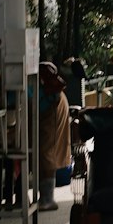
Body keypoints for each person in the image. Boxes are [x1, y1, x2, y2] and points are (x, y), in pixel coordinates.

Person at [37, 60, 71, 211]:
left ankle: (47, 198)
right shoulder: (55, 92)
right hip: (49, 115)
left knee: (46, 153)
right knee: (45, 153)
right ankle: (45, 197)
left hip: (51, 116)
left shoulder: (51, 94)